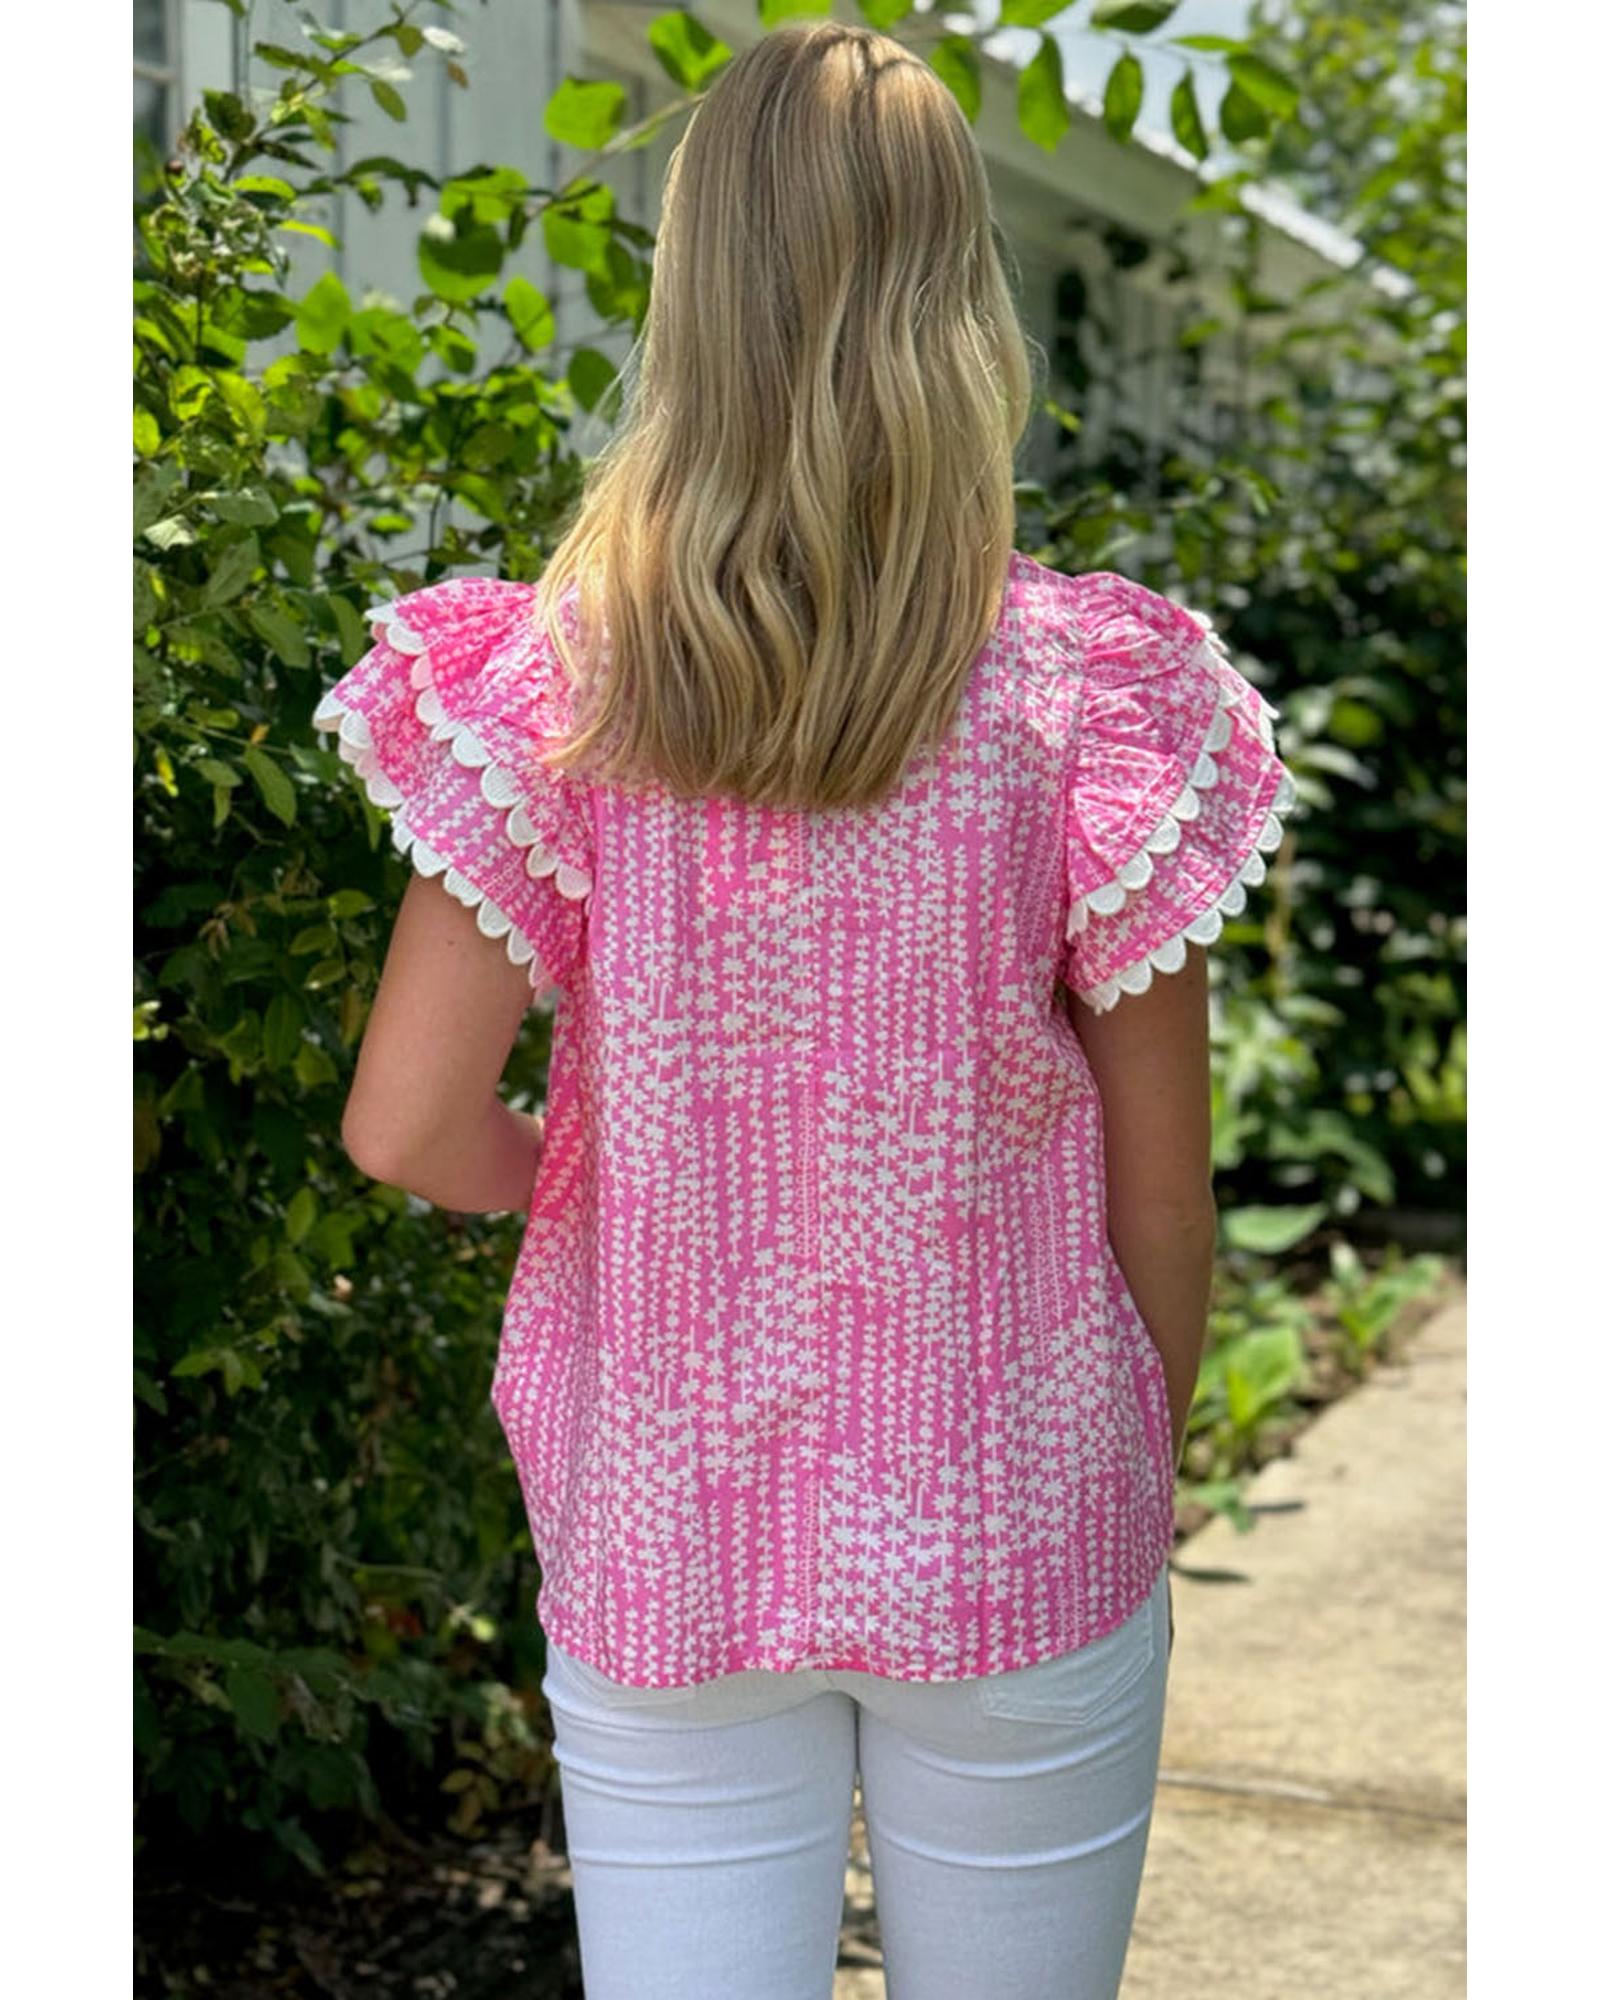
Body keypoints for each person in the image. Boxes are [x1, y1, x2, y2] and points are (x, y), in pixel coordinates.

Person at [311, 20, 1297, 2000]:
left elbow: (405, 1126)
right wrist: (1135, 1455)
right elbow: (1160, 1196)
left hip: (668, 1518)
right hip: (1015, 1508)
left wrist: (597, 1181)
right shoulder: (1085, 690)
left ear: (697, 287)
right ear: (961, 294)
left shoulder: (562, 689)